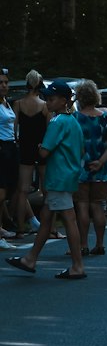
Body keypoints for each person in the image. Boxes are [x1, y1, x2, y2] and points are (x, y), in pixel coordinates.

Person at [6, 80, 87, 279]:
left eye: (50, 99)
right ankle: (30, 258)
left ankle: (77, 265)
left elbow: (43, 153)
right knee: (47, 217)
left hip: (58, 176)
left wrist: (40, 146)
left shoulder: (57, 122)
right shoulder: (73, 121)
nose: (47, 102)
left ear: (63, 101)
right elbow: (81, 149)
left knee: (68, 219)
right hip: (68, 174)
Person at [73, 80, 107, 257]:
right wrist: (101, 161)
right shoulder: (105, 117)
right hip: (101, 169)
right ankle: (100, 244)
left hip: (81, 169)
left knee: (82, 207)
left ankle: (83, 244)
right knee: (98, 207)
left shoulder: (76, 118)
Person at [12, 69, 47, 238]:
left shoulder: (18, 104)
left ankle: (20, 228)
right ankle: (50, 227)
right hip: (41, 149)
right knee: (47, 190)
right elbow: (50, 130)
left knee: (23, 190)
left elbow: (14, 128)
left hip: (25, 148)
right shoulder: (45, 106)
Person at [0, 66, 18, 248]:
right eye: (0, 83)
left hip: (11, 146)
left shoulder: (6, 101)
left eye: (6, 82)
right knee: (1, 191)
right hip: (2, 146)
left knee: (8, 190)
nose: (4, 85)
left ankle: (3, 226)